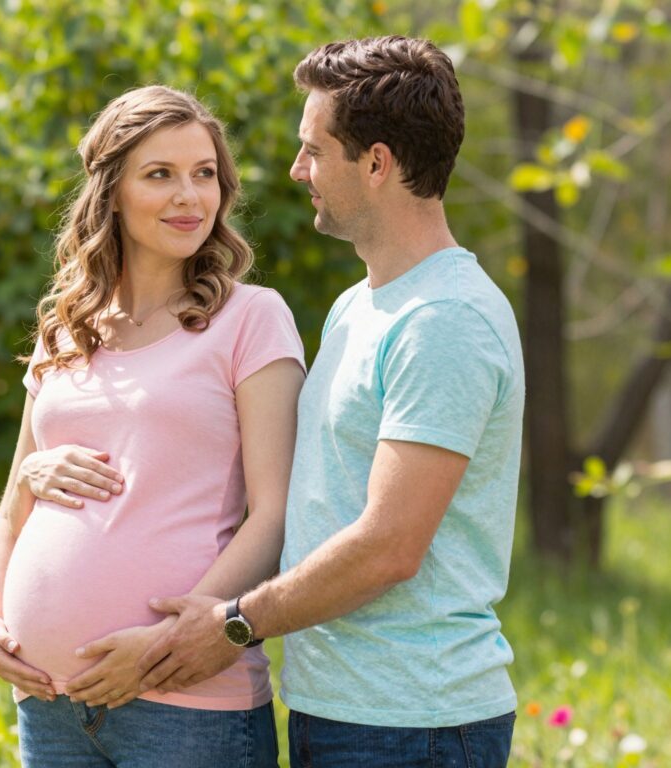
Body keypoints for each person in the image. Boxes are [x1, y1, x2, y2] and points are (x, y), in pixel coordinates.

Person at [132, 37, 526, 767]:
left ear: (377, 163)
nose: (296, 171)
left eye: (314, 150)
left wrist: (234, 624)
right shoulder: (360, 305)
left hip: (415, 725)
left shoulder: (445, 322)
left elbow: (389, 547)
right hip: (337, 710)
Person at [0, 85, 305, 768]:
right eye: (161, 175)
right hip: (49, 705)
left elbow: (274, 516)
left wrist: (156, 650)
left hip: (185, 704)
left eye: (204, 174)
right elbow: (10, 513)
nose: (190, 196)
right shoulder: (65, 326)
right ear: (111, 193)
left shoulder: (251, 319)